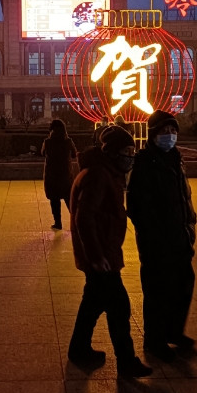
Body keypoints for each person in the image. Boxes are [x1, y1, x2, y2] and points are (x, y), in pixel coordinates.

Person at [68, 125, 153, 378]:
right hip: (101, 256)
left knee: (92, 303)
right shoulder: (98, 175)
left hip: (103, 253)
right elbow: (84, 218)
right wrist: (97, 257)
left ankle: (78, 349)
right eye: (127, 152)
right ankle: (126, 361)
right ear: (113, 153)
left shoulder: (107, 172)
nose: (131, 157)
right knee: (119, 308)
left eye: (132, 152)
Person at [126, 110, 197, 363]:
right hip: (157, 243)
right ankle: (154, 340)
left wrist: (190, 224)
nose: (170, 136)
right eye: (164, 131)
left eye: (173, 131)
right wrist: (154, 234)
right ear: (153, 135)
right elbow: (136, 206)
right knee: (157, 292)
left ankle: (174, 331)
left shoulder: (176, 159)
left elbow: (183, 197)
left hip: (180, 238)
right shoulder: (145, 163)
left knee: (183, 285)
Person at [41, 119, 77, 230]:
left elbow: (42, 153)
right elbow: (74, 154)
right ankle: (76, 222)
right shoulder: (68, 141)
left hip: (52, 176)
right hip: (66, 175)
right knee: (69, 200)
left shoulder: (48, 142)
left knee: (54, 200)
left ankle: (58, 223)